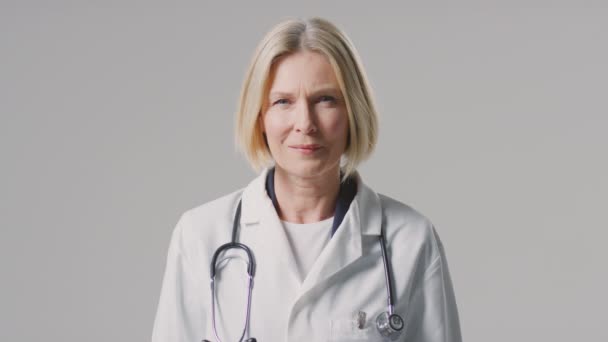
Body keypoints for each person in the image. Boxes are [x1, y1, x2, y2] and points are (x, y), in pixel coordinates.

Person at [151, 17, 462, 342]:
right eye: (283, 101)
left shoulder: (409, 240)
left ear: (354, 112)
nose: (305, 123)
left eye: (325, 99)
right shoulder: (200, 236)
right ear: (260, 117)